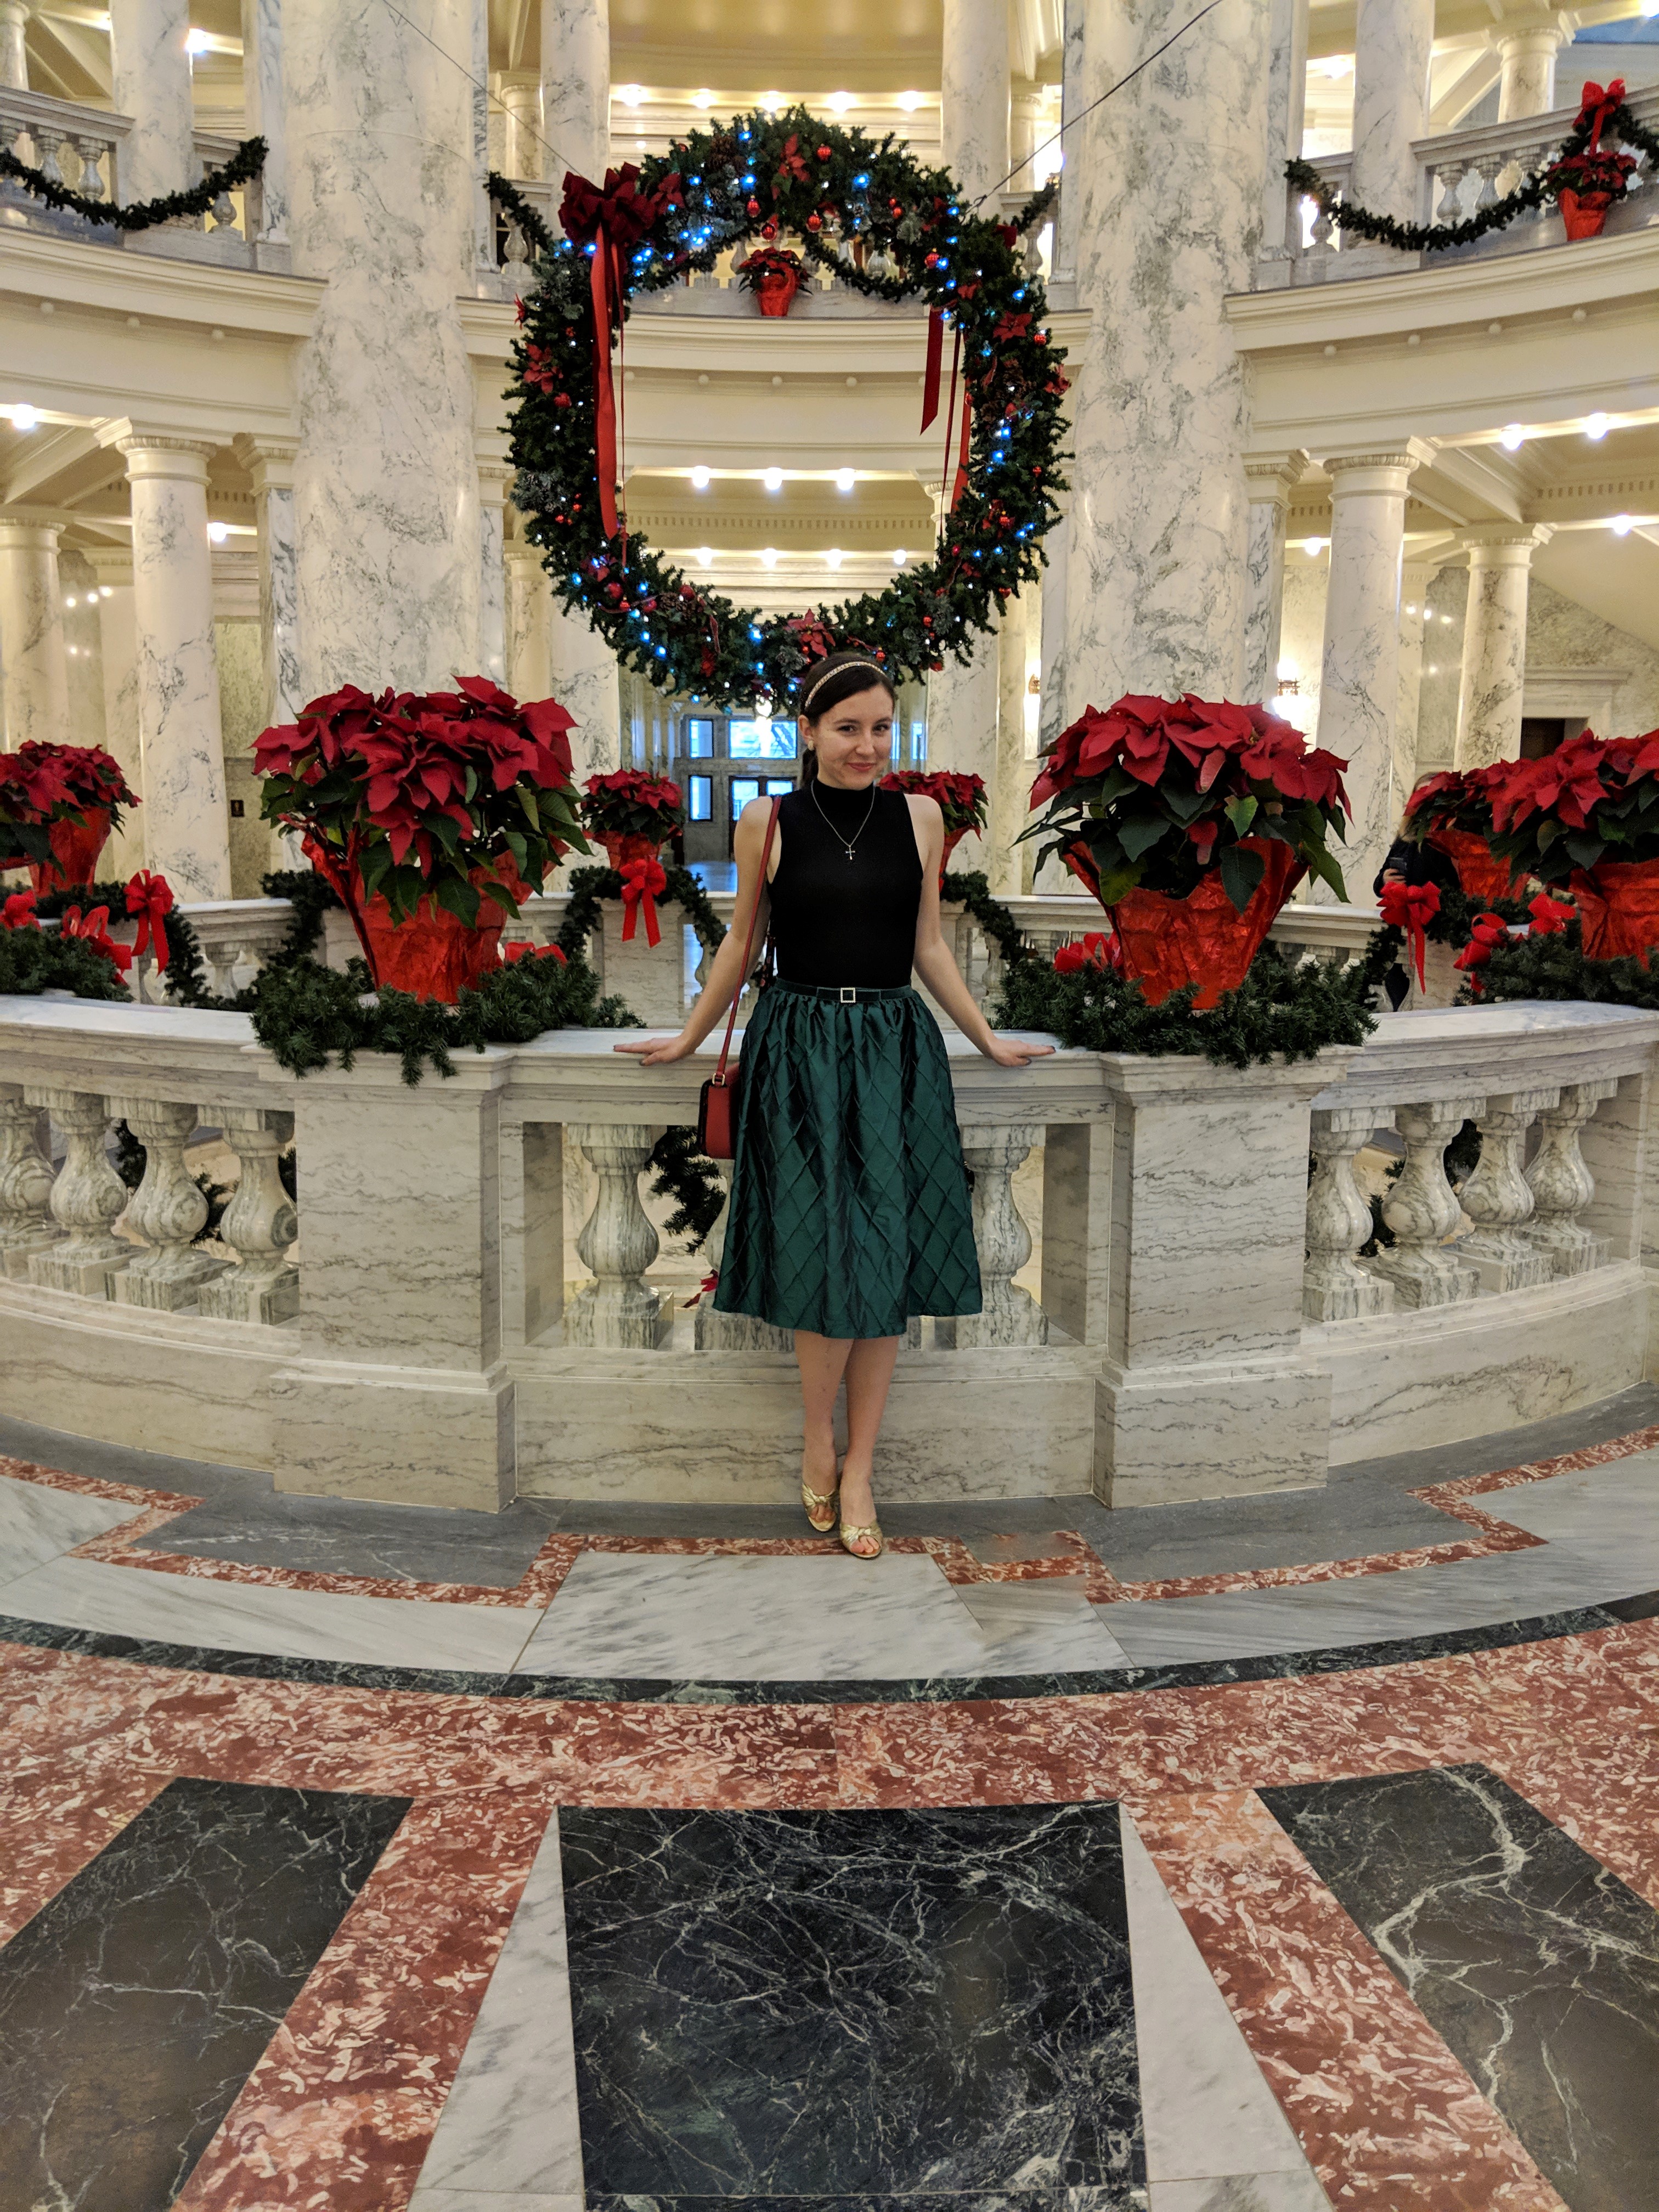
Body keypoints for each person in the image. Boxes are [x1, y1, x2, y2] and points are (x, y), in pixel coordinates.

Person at [617, 650, 1053, 1559]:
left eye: (882, 727)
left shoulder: (924, 818)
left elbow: (929, 945)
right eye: (847, 727)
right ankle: (818, 1440)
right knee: (820, 1253)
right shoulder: (767, 820)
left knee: (886, 1251)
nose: (867, 745)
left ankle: (861, 1467)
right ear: (806, 732)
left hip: (895, 1049)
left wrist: (985, 1037)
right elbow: (742, 944)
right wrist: (692, 1037)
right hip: (799, 1050)